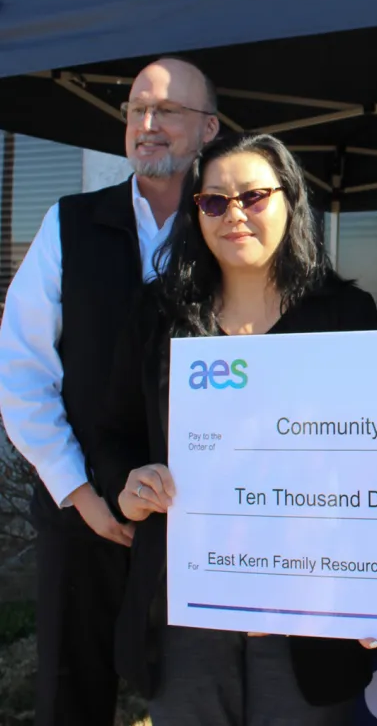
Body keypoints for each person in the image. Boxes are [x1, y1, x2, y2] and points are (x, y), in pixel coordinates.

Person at [88, 132, 377, 724]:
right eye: (214, 201)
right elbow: (113, 432)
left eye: (253, 196)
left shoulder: (345, 316)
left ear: (291, 203)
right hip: (186, 605)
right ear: (196, 214)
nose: (234, 214)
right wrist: (130, 485)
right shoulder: (158, 314)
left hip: (307, 609)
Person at [0, 57, 219, 726]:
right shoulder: (70, 223)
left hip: (200, 511)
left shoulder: (228, 224)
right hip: (83, 507)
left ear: (208, 129)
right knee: (72, 694)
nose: (148, 125)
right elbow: (22, 368)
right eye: (136, 110)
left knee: (201, 692)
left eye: (169, 111)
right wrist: (80, 493)